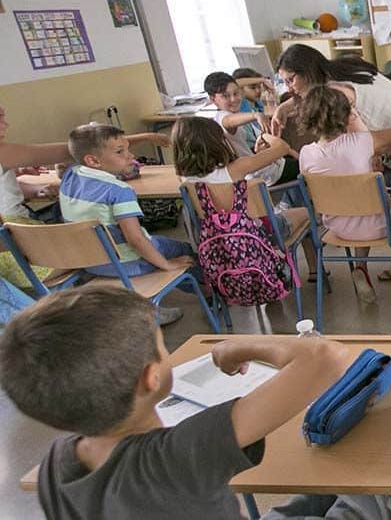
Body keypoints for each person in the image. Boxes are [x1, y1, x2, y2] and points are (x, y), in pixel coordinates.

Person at [0, 286, 354, 519]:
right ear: (152, 377)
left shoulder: (55, 464)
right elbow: (325, 356)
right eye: (163, 344)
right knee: (370, 501)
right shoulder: (178, 456)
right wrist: (240, 346)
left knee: (320, 493)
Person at [0, 106, 176, 288]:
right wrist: (145, 137)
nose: (6, 124)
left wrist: (29, 185)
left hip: (16, 259)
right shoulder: (2, 151)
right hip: (32, 258)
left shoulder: (69, 177)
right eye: (0, 119)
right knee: (166, 248)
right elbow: (77, 149)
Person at [59, 125, 195, 321]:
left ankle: (146, 306)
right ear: (93, 160)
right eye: (120, 152)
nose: (131, 156)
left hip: (89, 263)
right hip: (127, 263)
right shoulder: (119, 191)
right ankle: (209, 295)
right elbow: (136, 240)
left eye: (127, 148)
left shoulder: (70, 175)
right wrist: (167, 264)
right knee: (183, 249)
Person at [297, 85, 391, 304]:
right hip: (383, 225)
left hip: (337, 226)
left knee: (357, 209)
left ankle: (360, 266)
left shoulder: (306, 154)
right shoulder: (362, 142)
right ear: (345, 115)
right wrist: (357, 121)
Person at [170, 116, 317, 281]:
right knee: (308, 212)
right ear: (216, 143)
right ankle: (314, 270)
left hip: (219, 246)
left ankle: (282, 212)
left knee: (285, 202)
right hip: (259, 237)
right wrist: (264, 135)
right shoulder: (236, 168)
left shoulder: (182, 177)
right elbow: (283, 147)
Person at [274, 44, 391, 179]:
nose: (288, 88)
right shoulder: (344, 67)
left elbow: (367, 146)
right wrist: (283, 108)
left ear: (307, 71)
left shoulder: (337, 95)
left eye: (290, 80)